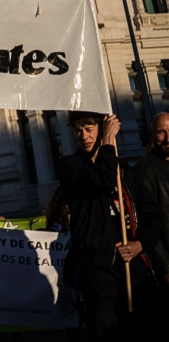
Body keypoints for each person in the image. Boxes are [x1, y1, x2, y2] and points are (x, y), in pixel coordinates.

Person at [58, 112, 155, 340]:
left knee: (138, 326)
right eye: (78, 131)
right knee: (104, 329)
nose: (84, 136)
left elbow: (152, 215)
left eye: (90, 129)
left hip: (130, 264)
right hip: (96, 266)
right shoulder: (70, 166)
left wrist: (140, 244)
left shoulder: (126, 171)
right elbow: (101, 179)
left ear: (100, 128)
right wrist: (109, 141)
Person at [133, 111, 169, 286]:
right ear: (152, 134)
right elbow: (148, 224)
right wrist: (165, 267)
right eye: (162, 132)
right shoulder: (144, 170)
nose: (168, 138)